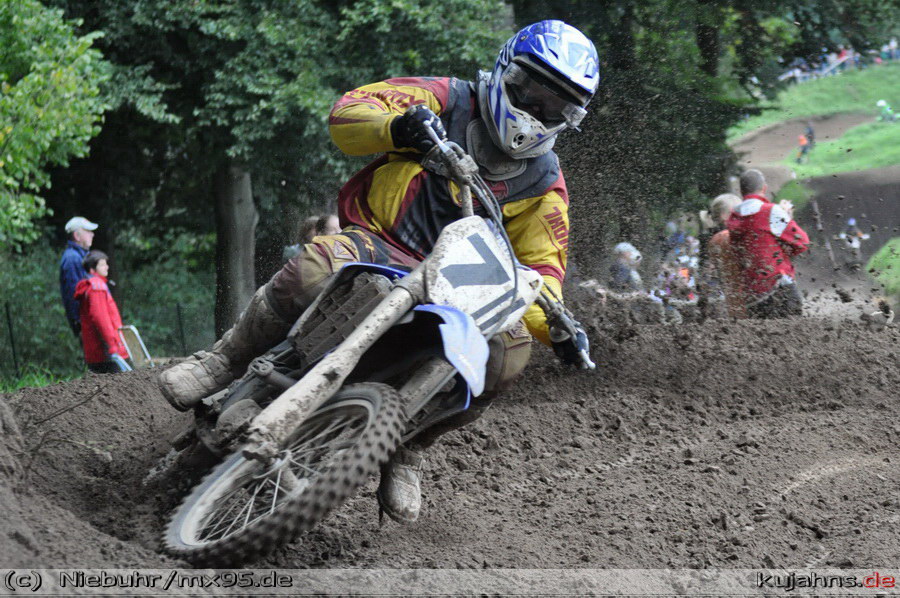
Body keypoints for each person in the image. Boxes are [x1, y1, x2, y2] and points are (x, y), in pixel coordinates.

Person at [158, 20, 599, 523]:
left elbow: (541, 272)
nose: (538, 110)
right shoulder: (446, 98)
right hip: (380, 244)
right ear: (507, 72)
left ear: (571, 117)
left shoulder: (546, 185)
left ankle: (409, 447)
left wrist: (558, 327)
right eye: (534, 92)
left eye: (556, 106)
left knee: (507, 355)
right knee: (314, 267)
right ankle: (224, 359)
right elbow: (348, 112)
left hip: (459, 290)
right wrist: (396, 127)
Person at [727, 169, 810, 319]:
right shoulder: (771, 211)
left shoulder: (733, 217)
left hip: (751, 293)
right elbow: (802, 242)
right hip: (778, 288)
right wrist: (787, 216)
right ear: (764, 188)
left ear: (741, 191)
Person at [74, 250, 132, 374]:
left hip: (96, 351)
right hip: (105, 353)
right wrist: (112, 346)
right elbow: (101, 319)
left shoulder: (92, 286)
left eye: (106, 264)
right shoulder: (97, 287)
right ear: (92, 269)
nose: (107, 267)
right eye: (102, 264)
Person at [703, 193, 746, 318]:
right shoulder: (728, 237)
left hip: (731, 300)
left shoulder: (714, 241)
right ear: (725, 215)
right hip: (748, 297)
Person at [59, 216, 98, 337]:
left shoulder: (81, 256)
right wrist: (79, 324)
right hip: (86, 324)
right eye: (88, 231)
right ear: (77, 236)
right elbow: (74, 294)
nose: (92, 234)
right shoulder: (72, 259)